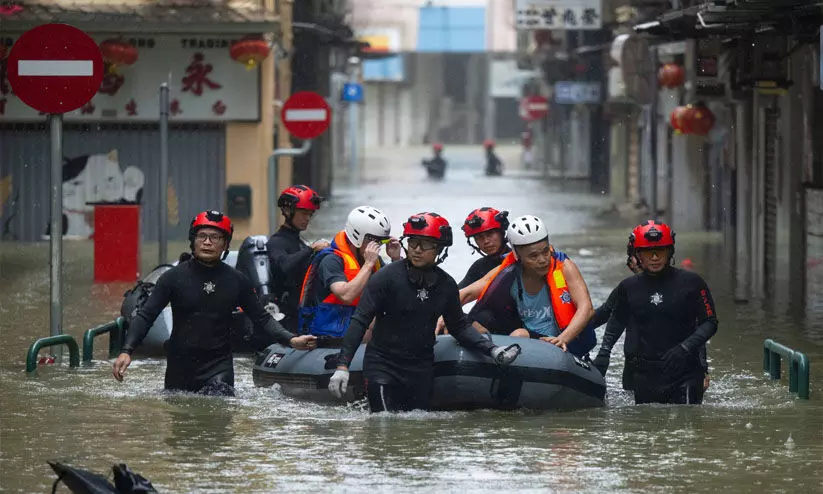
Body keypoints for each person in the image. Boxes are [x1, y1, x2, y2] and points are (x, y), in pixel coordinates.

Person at [327, 212, 522, 412]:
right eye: (413, 243)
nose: (417, 250)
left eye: (425, 244)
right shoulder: (386, 277)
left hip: (421, 368)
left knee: (417, 429)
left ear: (438, 249)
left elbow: (459, 326)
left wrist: (492, 349)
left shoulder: (446, 285)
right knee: (383, 425)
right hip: (383, 365)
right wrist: (343, 366)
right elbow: (360, 321)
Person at [112, 210, 317, 396]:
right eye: (202, 236)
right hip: (179, 368)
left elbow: (262, 318)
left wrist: (291, 340)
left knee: (218, 419)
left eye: (215, 237)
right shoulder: (172, 278)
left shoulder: (237, 280)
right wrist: (126, 351)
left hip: (218, 368)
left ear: (226, 244)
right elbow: (146, 315)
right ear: (193, 241)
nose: (207, 242)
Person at [608, 220, 718, 405]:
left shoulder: (692, 283)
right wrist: (602, 354)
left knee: (686, 428)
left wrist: (685, 348)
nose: (654, 257)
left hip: (686, 373)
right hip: (645, 376)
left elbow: (710, 322)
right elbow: (613, 320)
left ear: (670, 252)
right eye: (648, 252)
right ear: (638, 255)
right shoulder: (628, 287)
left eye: (660, 251)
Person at [466, 215, 596, 358]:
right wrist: (445, 314)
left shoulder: (564, 267)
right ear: (517, 255)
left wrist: (563, 339)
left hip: (565, 342)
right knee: (472, 324)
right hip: (532, 340)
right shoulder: (507, 271)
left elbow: (586, 308)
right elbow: (469, 292)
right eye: (533, 256)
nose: (542, 260)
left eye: (545, 251)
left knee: (519, 335)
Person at [591, 239, 712, 392]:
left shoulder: (681, 286)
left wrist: (703, 367)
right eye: (642, 253)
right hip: (637, 366)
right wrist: (570, 332)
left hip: (677, 365)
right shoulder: (627, 288)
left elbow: (697, 327)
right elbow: (605, 315)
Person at [298, 206, 402, 343]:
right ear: (358, 237)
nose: (378, 246)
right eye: (375, 240)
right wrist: (368, 264)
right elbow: (346, 296)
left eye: (381, 241)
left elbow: (396, 289)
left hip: (355, 327)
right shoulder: (331, 260)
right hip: (329, 333)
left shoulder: (371, 259)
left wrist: (396, 260)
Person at [266, 185, 328, 333]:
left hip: (304, 316)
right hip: (285, 320)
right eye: (303, 213)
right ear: (287, 211)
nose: (307, 218)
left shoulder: (300, 242)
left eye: (310, 214)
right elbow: (283, 267)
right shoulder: (276, 242)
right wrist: (311, 249)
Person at [458, 207, 512, 289]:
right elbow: (456, 294)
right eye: (479, 237)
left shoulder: (520, 261)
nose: (486, 241)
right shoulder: (479, 267)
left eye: (490, 233)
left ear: (502, 232)